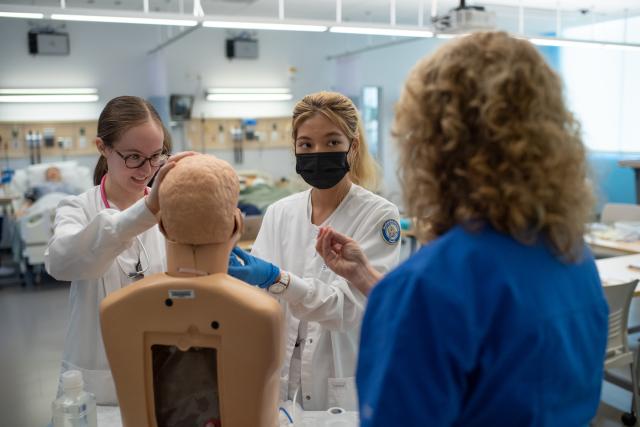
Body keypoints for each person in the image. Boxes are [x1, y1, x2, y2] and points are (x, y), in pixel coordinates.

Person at [316, 32, 609, 426]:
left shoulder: (429, 287)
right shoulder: (573, 258)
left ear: (435, 144)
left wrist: (396, 299)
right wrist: (368, 277)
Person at [229, 91, 402, 410]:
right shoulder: (280, 213)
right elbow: (258, 302)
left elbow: (345, 309)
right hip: (278, 378)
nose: (318, 152)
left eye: (332, 142)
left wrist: (276, 279)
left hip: (337, 378)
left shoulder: (378, 216)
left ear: (353, 146)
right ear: (294, 147)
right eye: (306, 144)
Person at [44, 95, 193, 404]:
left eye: (156, 156)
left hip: (165, 371)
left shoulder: (174, 208)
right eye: (134, 157)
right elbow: (61, 263)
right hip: (96, 382)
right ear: (103, 147)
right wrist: (147, 210)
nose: (147, 169)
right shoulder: (77, 208)